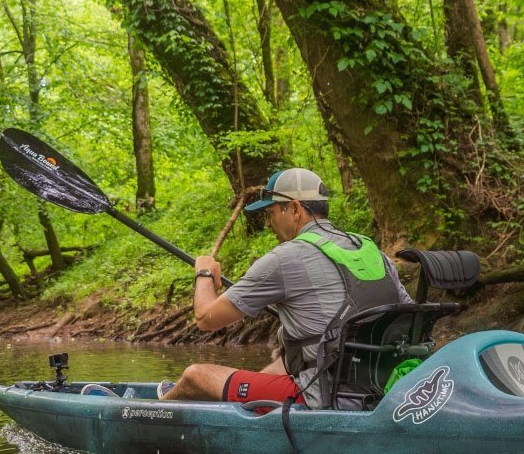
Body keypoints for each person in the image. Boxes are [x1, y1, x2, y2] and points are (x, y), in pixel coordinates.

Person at [158, 168, 413, 408]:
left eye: (271, 213)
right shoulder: (371, 251)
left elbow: (206, 318)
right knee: (281, 361)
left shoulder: (284, 258)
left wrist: (204, 273)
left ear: (293, 209)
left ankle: (153, 413)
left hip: (322, 396)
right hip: (385, 387)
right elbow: (406, 314)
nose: (269, 224)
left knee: (196, 376)